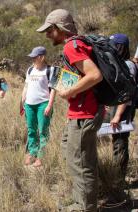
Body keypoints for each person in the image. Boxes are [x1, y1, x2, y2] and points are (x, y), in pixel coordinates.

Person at [37, 9, 104, 211]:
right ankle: (80, 200)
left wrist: (69, 92)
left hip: (85, 113)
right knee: (75, 154)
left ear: (59, 28)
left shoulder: (71, 47)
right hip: (82, 111)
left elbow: (94, 75)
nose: (47, 35)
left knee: (81, 162)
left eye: (49, 30)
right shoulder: (78, 43)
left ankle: (85, 207)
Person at [108, 34, 137, 187]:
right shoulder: (120, 64)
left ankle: (119, 180)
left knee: (120, 142)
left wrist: (118, 115)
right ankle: (117, 177)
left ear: (120, 47)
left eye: (113, 45)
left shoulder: (128, 65)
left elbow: (127, 93)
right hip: (118, 108)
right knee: (116, 140)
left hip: (123, 110)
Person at [20, 47, 56, 167]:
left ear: (42, 57)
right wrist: (22, 102)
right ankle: (32, 153)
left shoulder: (50, 70)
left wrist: (49, 105)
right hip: (29, 105)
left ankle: (41, 156)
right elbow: (26, 87)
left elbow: (53, 90)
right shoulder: (30, 70)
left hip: (43, 104)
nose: (33, 59)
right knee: (31, 130)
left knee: (43, 131)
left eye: (34, 57)